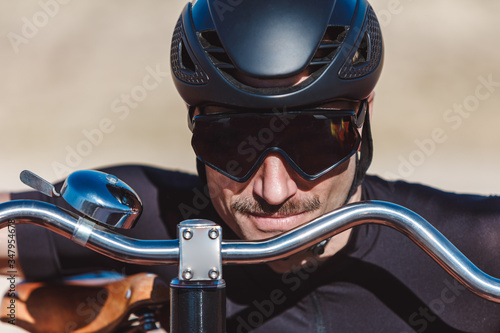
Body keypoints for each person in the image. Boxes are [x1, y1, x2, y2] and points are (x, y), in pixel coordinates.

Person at [1, 0, 500, 332]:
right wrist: (99, 308)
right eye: (232, 143)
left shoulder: (473, 248)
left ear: (362, 124)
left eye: (313, 141)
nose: (275, 190)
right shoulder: (144, 217)